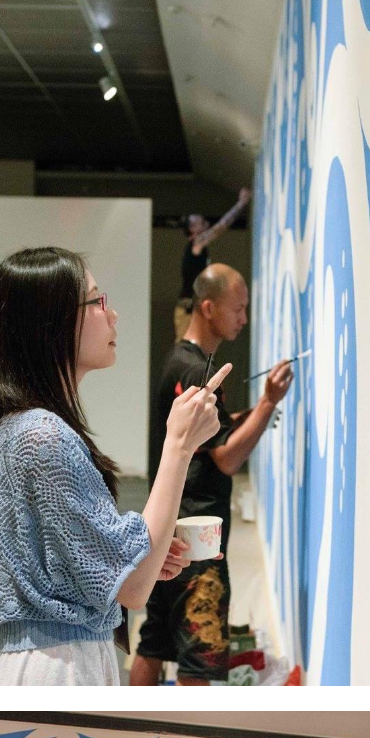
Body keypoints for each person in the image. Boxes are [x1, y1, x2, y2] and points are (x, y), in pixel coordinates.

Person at [0, 245, 232, 686]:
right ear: (53, 321)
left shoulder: (24, 429)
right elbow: (133, 591)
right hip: (58, 672)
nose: (112, 315)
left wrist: (138, 559)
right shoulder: (42, 437)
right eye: (97, 301)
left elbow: (100, 574)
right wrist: (179, 445)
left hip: (58, 662)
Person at [130, 264, 294, 685]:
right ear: (208, 308)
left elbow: (209, 436)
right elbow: (226, 458)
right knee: (199, 660)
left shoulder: (180, 360)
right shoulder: (197, 372)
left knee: (154, 643)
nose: (244, 318)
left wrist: (246, 415)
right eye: (237, 309)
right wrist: (268, 403)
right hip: (197, 535)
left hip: (171, 526)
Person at [174, 189, 251, 338]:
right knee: (187, 346)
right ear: (192, 230)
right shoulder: (197, 243)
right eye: (198, 221)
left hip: (190, 307)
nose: (203, 220)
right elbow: (220, 227)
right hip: (187, 310)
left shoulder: (197, 246)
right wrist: (241, 204)